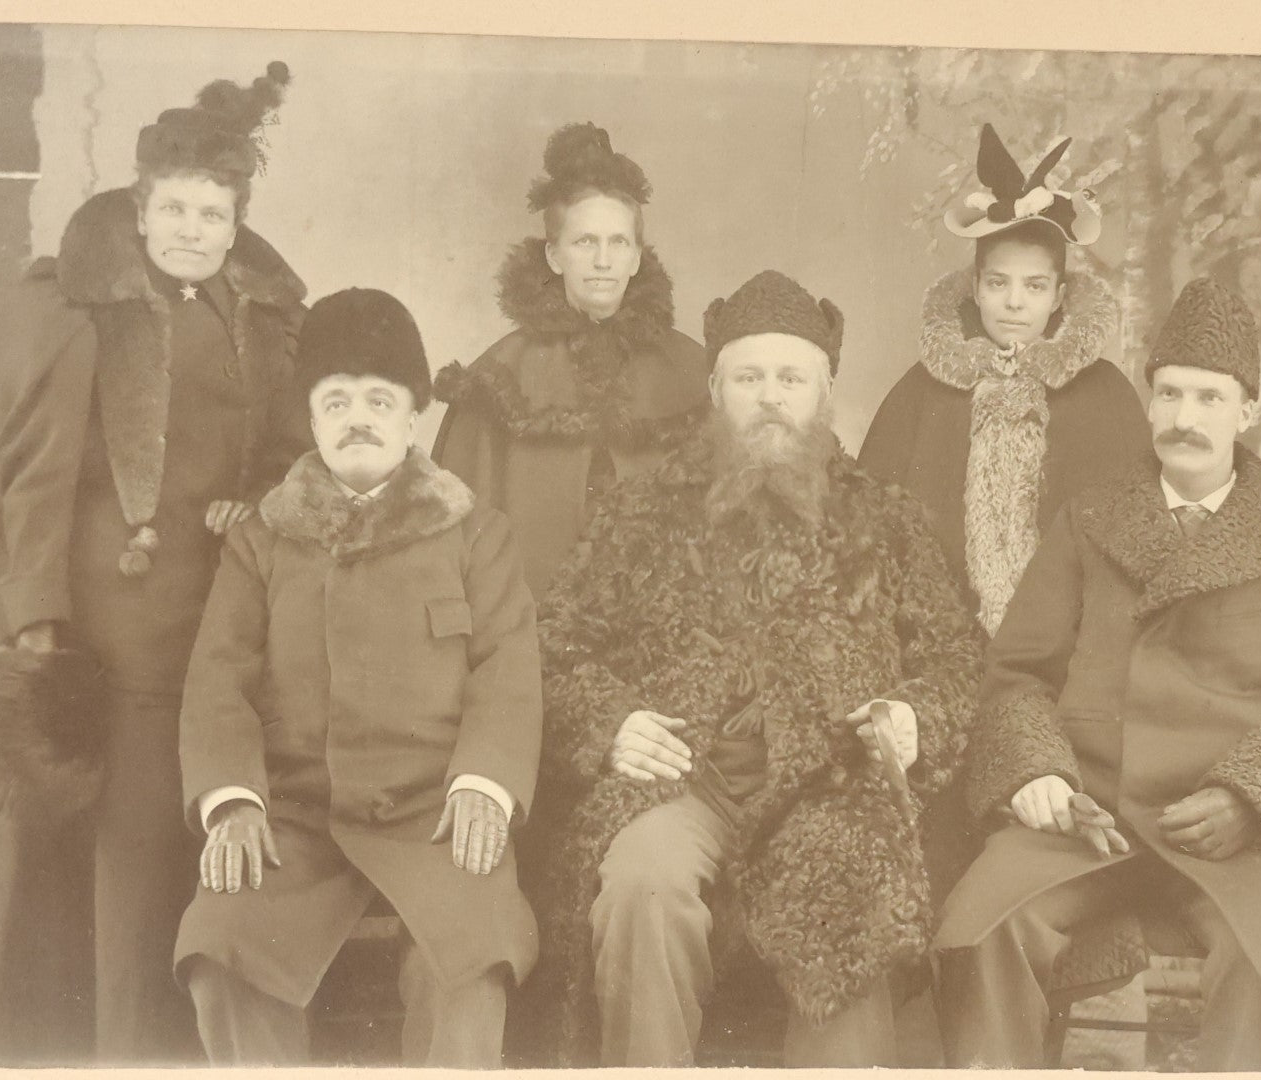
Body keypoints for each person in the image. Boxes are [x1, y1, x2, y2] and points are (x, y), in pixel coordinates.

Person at [933, 277, 1261, 1070]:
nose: (1186, 418)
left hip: (1229, 831)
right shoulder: (1089, 520)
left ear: (1246, 411)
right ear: (1148, 406)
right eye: (1170, 394)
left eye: (1210, 398)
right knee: (980, 931)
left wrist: (1251, 800)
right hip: (1089, 815)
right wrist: (1036, 772)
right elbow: (1019, 673)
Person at [534, 270, 983, 1067]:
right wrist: (611, 724)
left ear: (825, 391)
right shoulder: (640, 512)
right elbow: (555, 646)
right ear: (715, 389)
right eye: (748, 378)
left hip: (830, 784)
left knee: (851, 891)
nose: (770, 397)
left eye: (790, 378)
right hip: (683, 781)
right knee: (642, 885)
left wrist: (914, 717)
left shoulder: (886, 517)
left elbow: (954, 657)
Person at [0, 62, 307, 1063]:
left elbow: (287, 452)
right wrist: (35, 619)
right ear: (139, 209)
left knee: (190, 837)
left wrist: (258, 504)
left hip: (216, 617)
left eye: (212, 214)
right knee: (122, 848)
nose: (190, 230)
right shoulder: (82, 306)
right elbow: (33, 472)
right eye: (172, 208)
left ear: (236, 221)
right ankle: (111, 1053)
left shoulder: (258, 316)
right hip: (111, 620)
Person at [172, 288, 541, 1066]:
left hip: (434, 814)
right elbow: (217, 681)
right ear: (311, 422)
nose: (358, 418)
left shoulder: (476, 534)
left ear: (413, 419)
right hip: (297, 819)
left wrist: (484, 784)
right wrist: (233, 801)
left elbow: (507, 673)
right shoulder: (262, 541)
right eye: (335, 401)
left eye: (380, 399)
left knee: (471, 961)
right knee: (222, 947)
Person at [860, 123, 1147, 635]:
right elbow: (871, 530)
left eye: (1034, 286)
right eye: (998, 283)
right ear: (975, 289)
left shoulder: (1105, 395)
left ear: (1059, 297)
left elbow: (1136, 539)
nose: (1015, 302)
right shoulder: (921, 391)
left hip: (1065, 647)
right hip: (941, 641)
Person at [431, 121, 710, 597]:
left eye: (618, 242)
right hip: (532, 625)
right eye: (585, 242)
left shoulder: (691, 372)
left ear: (636, 258)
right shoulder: (498, 379)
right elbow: (455, 544)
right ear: (554, 256)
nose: (603, 261)